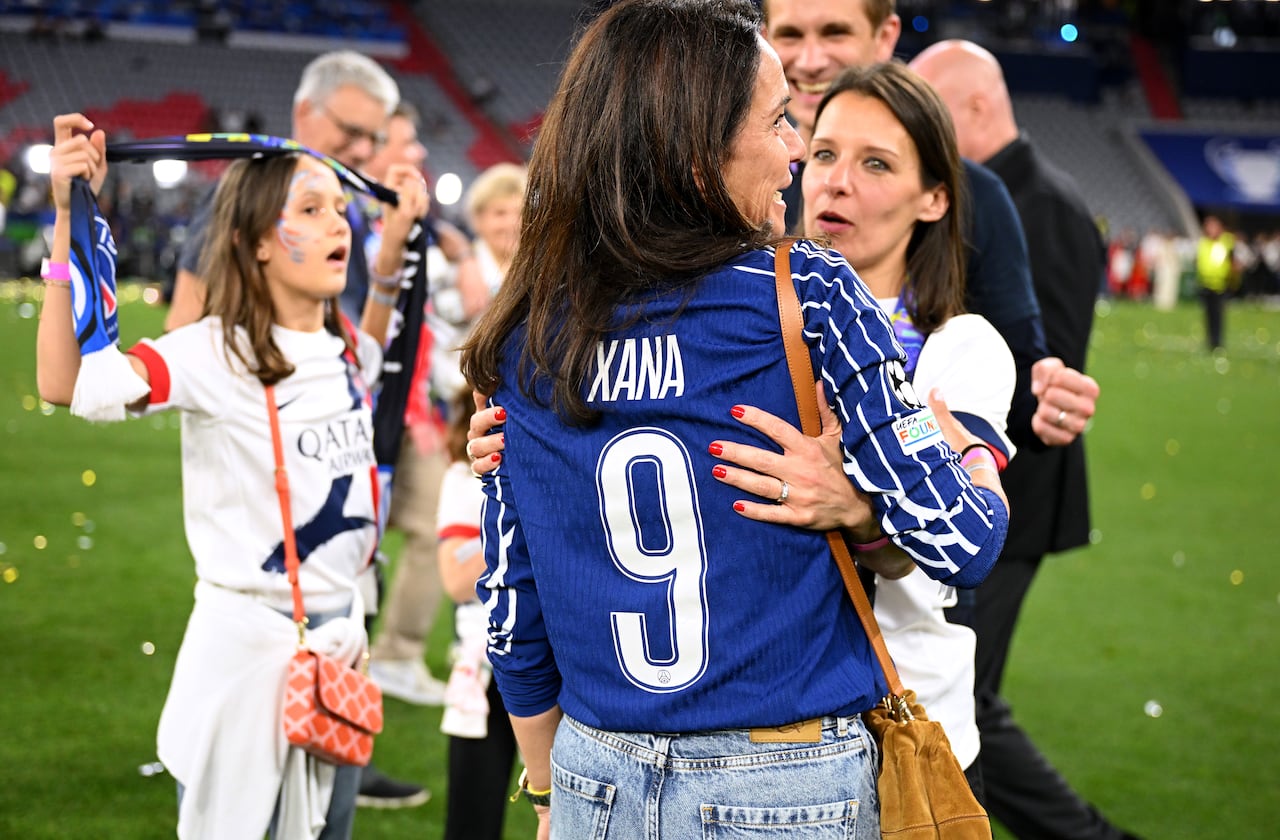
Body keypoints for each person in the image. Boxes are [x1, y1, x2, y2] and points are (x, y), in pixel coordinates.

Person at [458, 3, 1008, 838]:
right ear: (692, 151)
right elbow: (963, 541)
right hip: (784, 777)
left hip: (592, 776)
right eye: (781, 121)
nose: (797, 152)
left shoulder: (528, 328)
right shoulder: (808, 290)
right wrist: (964, 451)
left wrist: (545, 793)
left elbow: (512, 613)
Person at [38, 114, 400, 839]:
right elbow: (64, 382)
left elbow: (379, 335)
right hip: (246, 662)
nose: (337, 225)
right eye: (309, 209)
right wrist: (65, 220)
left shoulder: (346, 345)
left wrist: (396, 240)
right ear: (257, 242)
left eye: (339, 208)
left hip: (341, 651)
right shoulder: (213, 352)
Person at [910, 39, 1139, 840]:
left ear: (972, 105)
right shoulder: (994, 192)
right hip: (970, 488)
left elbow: (1048, 373)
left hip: (1008, 497)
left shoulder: (1040, 203)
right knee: (960, 698)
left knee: (963, 703)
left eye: (928, 105)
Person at [763, 0, 1098, 450]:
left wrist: (1038, 401)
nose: (811, 58)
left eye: (835, 32)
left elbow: (1002, 393)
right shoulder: (735, 184)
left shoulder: (961, 336)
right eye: (791, 36)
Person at [166, 50, 400, 332]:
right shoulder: (246, 195)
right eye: (351, 131)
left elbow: (362, 349)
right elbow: (186, 321)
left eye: (375, 138)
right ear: (304, 111)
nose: (364, 151)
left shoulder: (354, 206)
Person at [435, 389, 518, 840]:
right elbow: (454, 578)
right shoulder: (460, 478)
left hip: (563, 656)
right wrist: (521, 520)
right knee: (473, 818)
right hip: (486, 662)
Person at [1195, 214, 1235, 352]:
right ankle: (1210, 341)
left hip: (1220, 285)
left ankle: (1217, 342)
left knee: (1218, 315)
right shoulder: (1204, 243)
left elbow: (1231, 261)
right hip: (1206, 284)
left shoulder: (1225, 242)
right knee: (1208, 315)